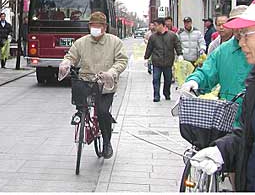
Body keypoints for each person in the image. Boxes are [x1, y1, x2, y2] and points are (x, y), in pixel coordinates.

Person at [190, 0, 255, 192]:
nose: (242, 40)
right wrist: (220, 151)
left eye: (246, 33)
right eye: (240, 33)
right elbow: (249, 135)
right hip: (231, 122)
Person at [58, 11, 128, 159]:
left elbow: (122, 61)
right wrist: (66, 63)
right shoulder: (81, 42)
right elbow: (71, 56)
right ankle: (80, 114)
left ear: (104, 27)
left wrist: (112, 72)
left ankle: (107, 142)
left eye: (98, 26)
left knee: (103, 112)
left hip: (105, 83)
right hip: (86, 81)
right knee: (80, 99)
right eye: (92, 26)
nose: (95, 29)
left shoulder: (115, 42)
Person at [180, 6, 251, 126]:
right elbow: (207, 72)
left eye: (244, 24)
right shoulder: (223, 51)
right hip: (230, 121)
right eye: (236, 24)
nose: (240, 29)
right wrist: (194, 81)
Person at [144, 18, 183, 102]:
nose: (155, 27)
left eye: (156, 25)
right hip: (156, 62)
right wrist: (146, 58)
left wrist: (180, 54)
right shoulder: (153, 37)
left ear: (162, 25)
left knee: (168, 80)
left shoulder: (172, 35)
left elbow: (177, 45)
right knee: (155, 79)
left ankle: (167, 93)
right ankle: (156, 96)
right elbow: (149, 48)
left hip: (168, 62)